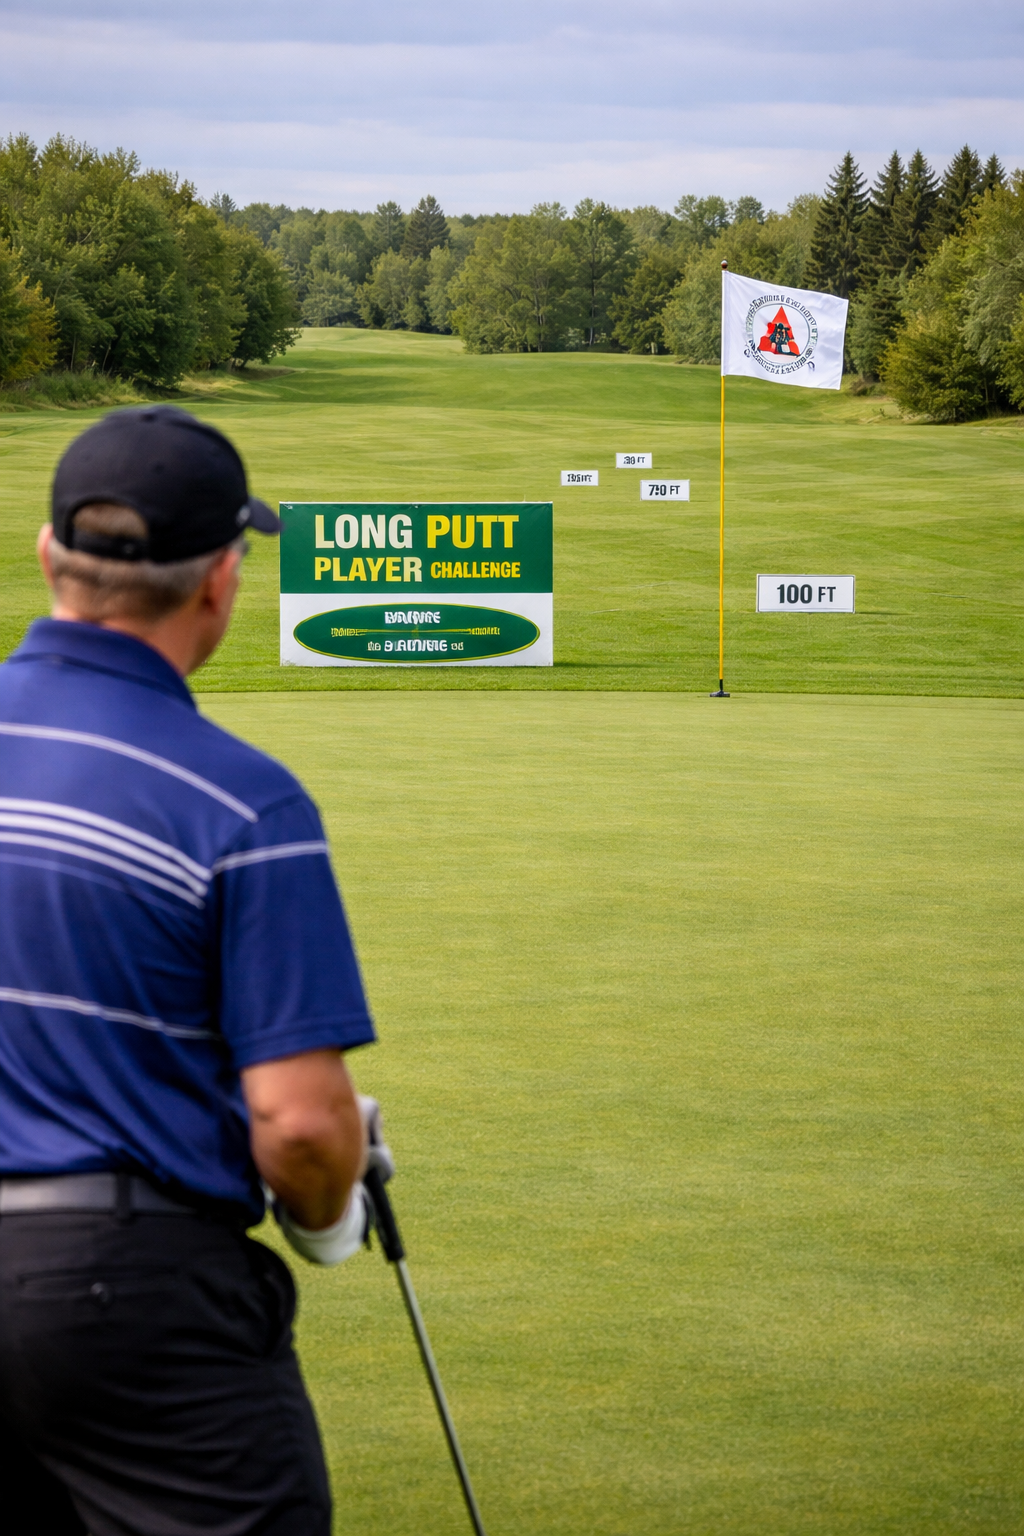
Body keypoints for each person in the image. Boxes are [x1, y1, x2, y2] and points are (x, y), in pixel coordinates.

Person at [0, 406, 385, 1536]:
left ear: (46, 556)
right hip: (123, 1295)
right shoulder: (240, 799)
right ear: (221, 578)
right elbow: (305, 1131)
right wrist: (332, 1211)